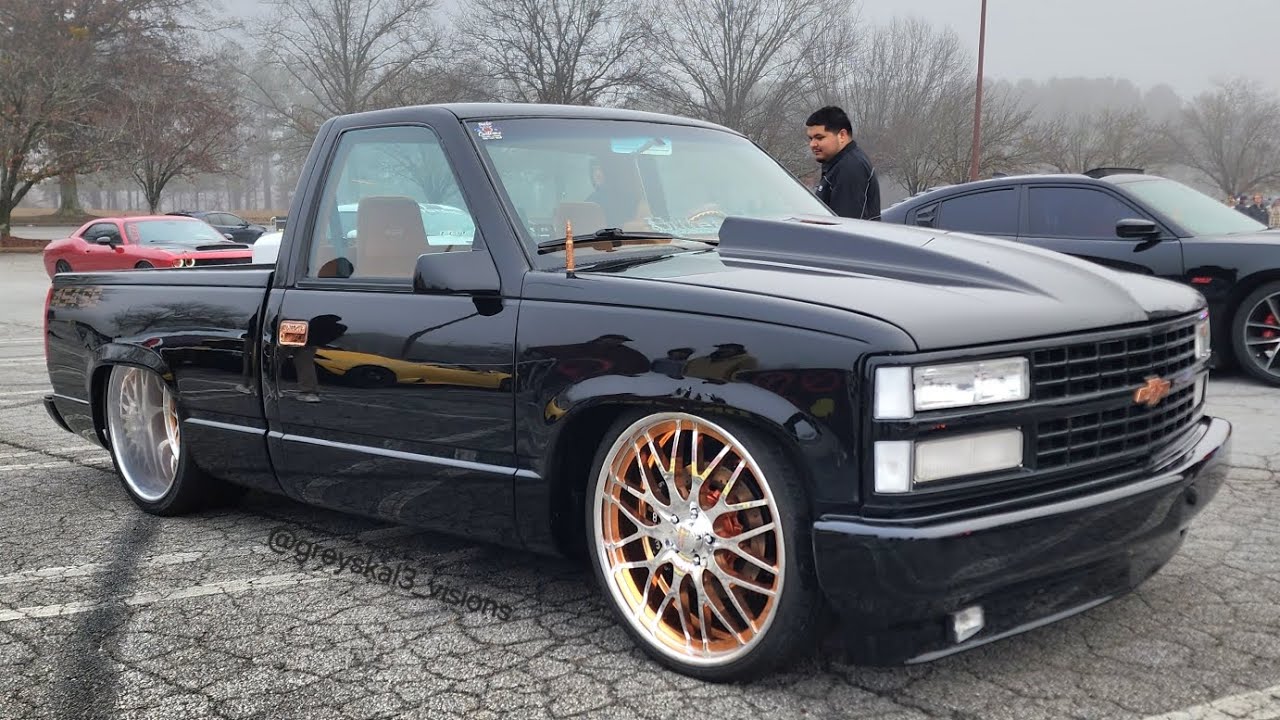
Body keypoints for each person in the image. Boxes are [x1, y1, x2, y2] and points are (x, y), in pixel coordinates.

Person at [805, 106, 880, 221]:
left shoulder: (850, 168)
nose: (812, 144)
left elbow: (845, 227)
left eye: (819, 138)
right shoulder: (838, 164)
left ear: (842, 135)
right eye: (811, 139)